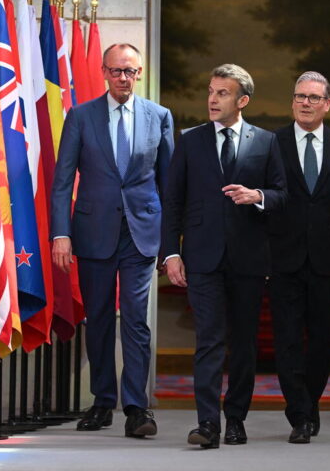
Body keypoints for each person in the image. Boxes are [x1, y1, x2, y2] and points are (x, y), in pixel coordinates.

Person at [50, 43, 174, 438]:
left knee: (136, 320)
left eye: (131, 71)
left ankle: (136, 408)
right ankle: (103, 401)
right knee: (99, 318)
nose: (124, 78)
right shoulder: (82, 116)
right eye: (117, 71)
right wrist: (61, 233)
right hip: (93, 234)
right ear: (104, 72)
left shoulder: (160, 117)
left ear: (140, 74)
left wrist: (171, 243)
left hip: (141, 235)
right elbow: (62, 181)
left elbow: (170, 184)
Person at [161, 64, 287, 449]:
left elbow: (283, 194)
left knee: (245, 343)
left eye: (223, 93)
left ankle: (236, 419)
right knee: (209, 340)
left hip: (249, 259)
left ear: (242, 100)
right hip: (202, 258)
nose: (213, 99)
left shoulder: (266, 142)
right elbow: (173, 202)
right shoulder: (190, 139)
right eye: (211, 91)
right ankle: (207, 423)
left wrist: (259, 196)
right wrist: (171, 253)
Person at [267, 72, 330, 444]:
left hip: (329, 261)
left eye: (313, 97)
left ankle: (309, 403)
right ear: (292, 102)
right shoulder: (272, 143)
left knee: (323, 340)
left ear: (326, 103)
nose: (305, 103)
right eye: (299, 97)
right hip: (282, 259)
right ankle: (300, 414)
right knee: (287, 339)